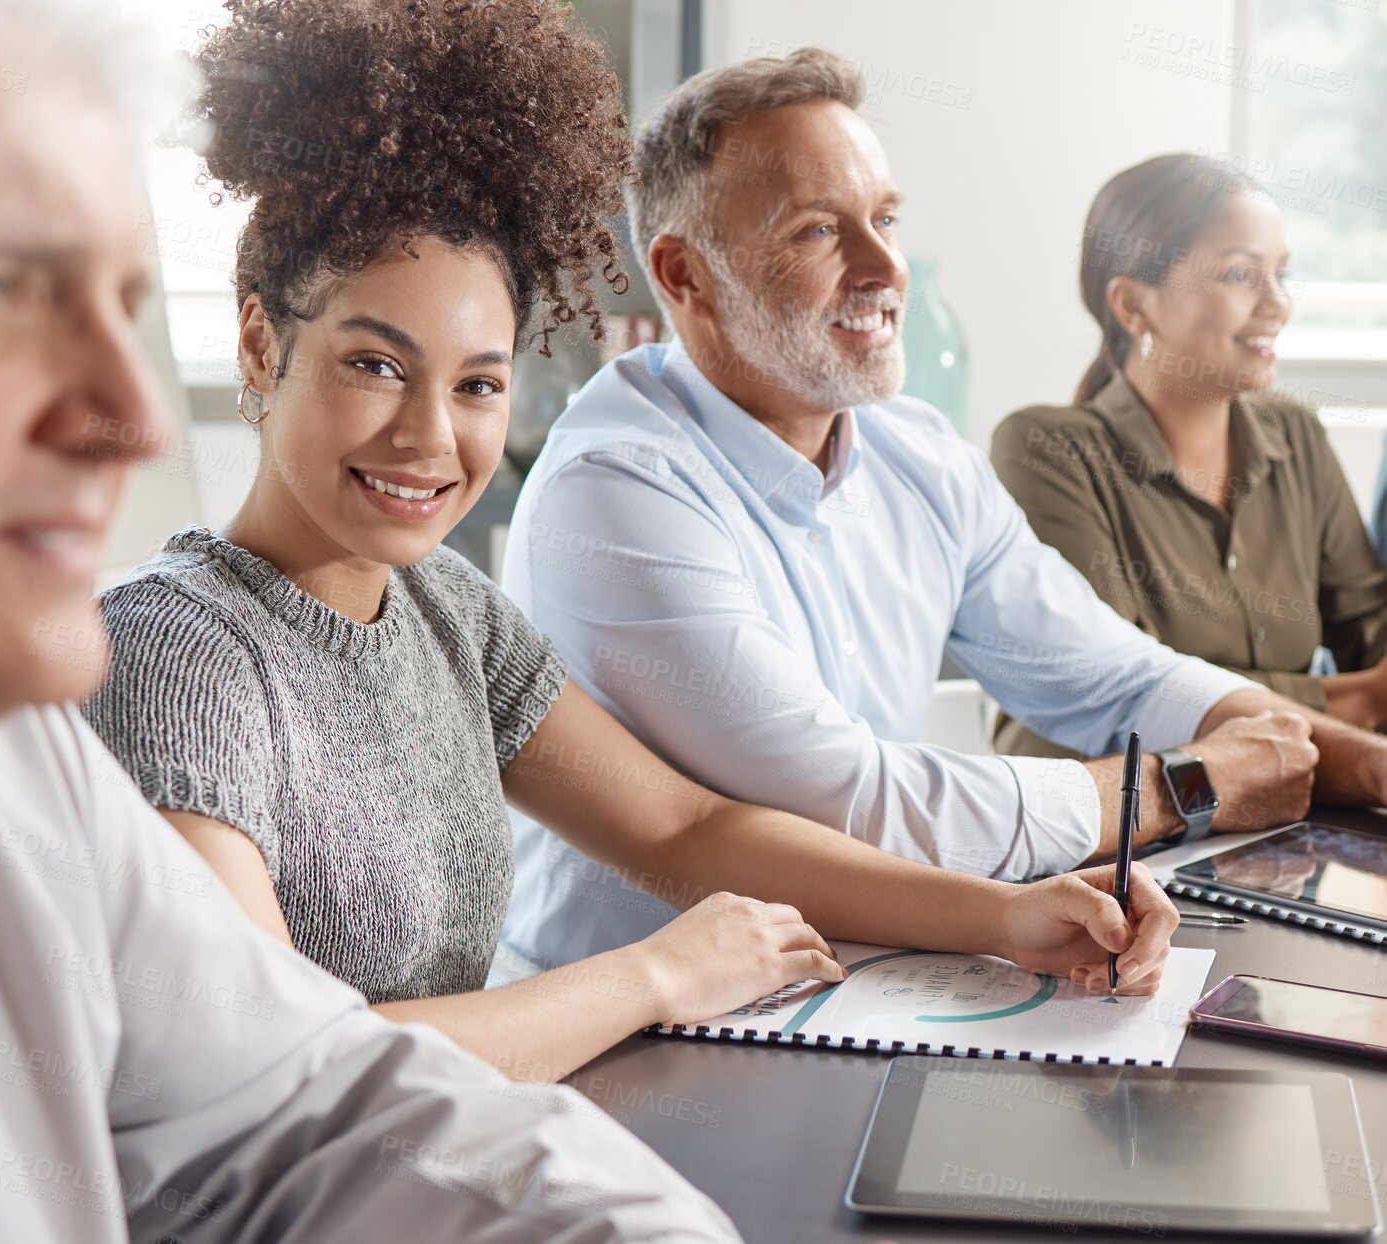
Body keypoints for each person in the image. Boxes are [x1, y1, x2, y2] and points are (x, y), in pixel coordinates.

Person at [0, 0, 749, 1238]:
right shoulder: (167, 656)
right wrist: (654, 973)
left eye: (120, 299)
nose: (129, 418)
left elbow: (311, 1100)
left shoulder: (19, 771)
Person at [83, 1, 1181, 1089]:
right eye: (374, 364)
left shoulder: (445, 611)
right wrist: (651, 975)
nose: (429, 436)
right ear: (259, 343)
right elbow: (269, 1070)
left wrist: (1006, 915)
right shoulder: (175, 648)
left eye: (476, 383)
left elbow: (684, 824)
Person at [494, 47, 1387, 975]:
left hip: (859, 983)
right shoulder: (616, 487)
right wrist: (1180, 789)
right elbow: (845, 803)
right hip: (643, 1030)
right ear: (683, 276)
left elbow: (1106, 673)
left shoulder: (910, 448)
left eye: (882, 218)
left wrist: (1357, 764)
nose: (885, 267)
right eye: (816, 232)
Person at [990, 154, 1387, 761]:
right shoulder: (1045, 450)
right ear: (1132, 306)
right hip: (1099, 837)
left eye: (1281, 273)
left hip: (1265, 817)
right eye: (1239, 275)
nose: (1278, 304)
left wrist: (1359, 691)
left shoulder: (1296, 436)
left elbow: (1372, 637)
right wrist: (1355, 701)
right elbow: (1134, 695)